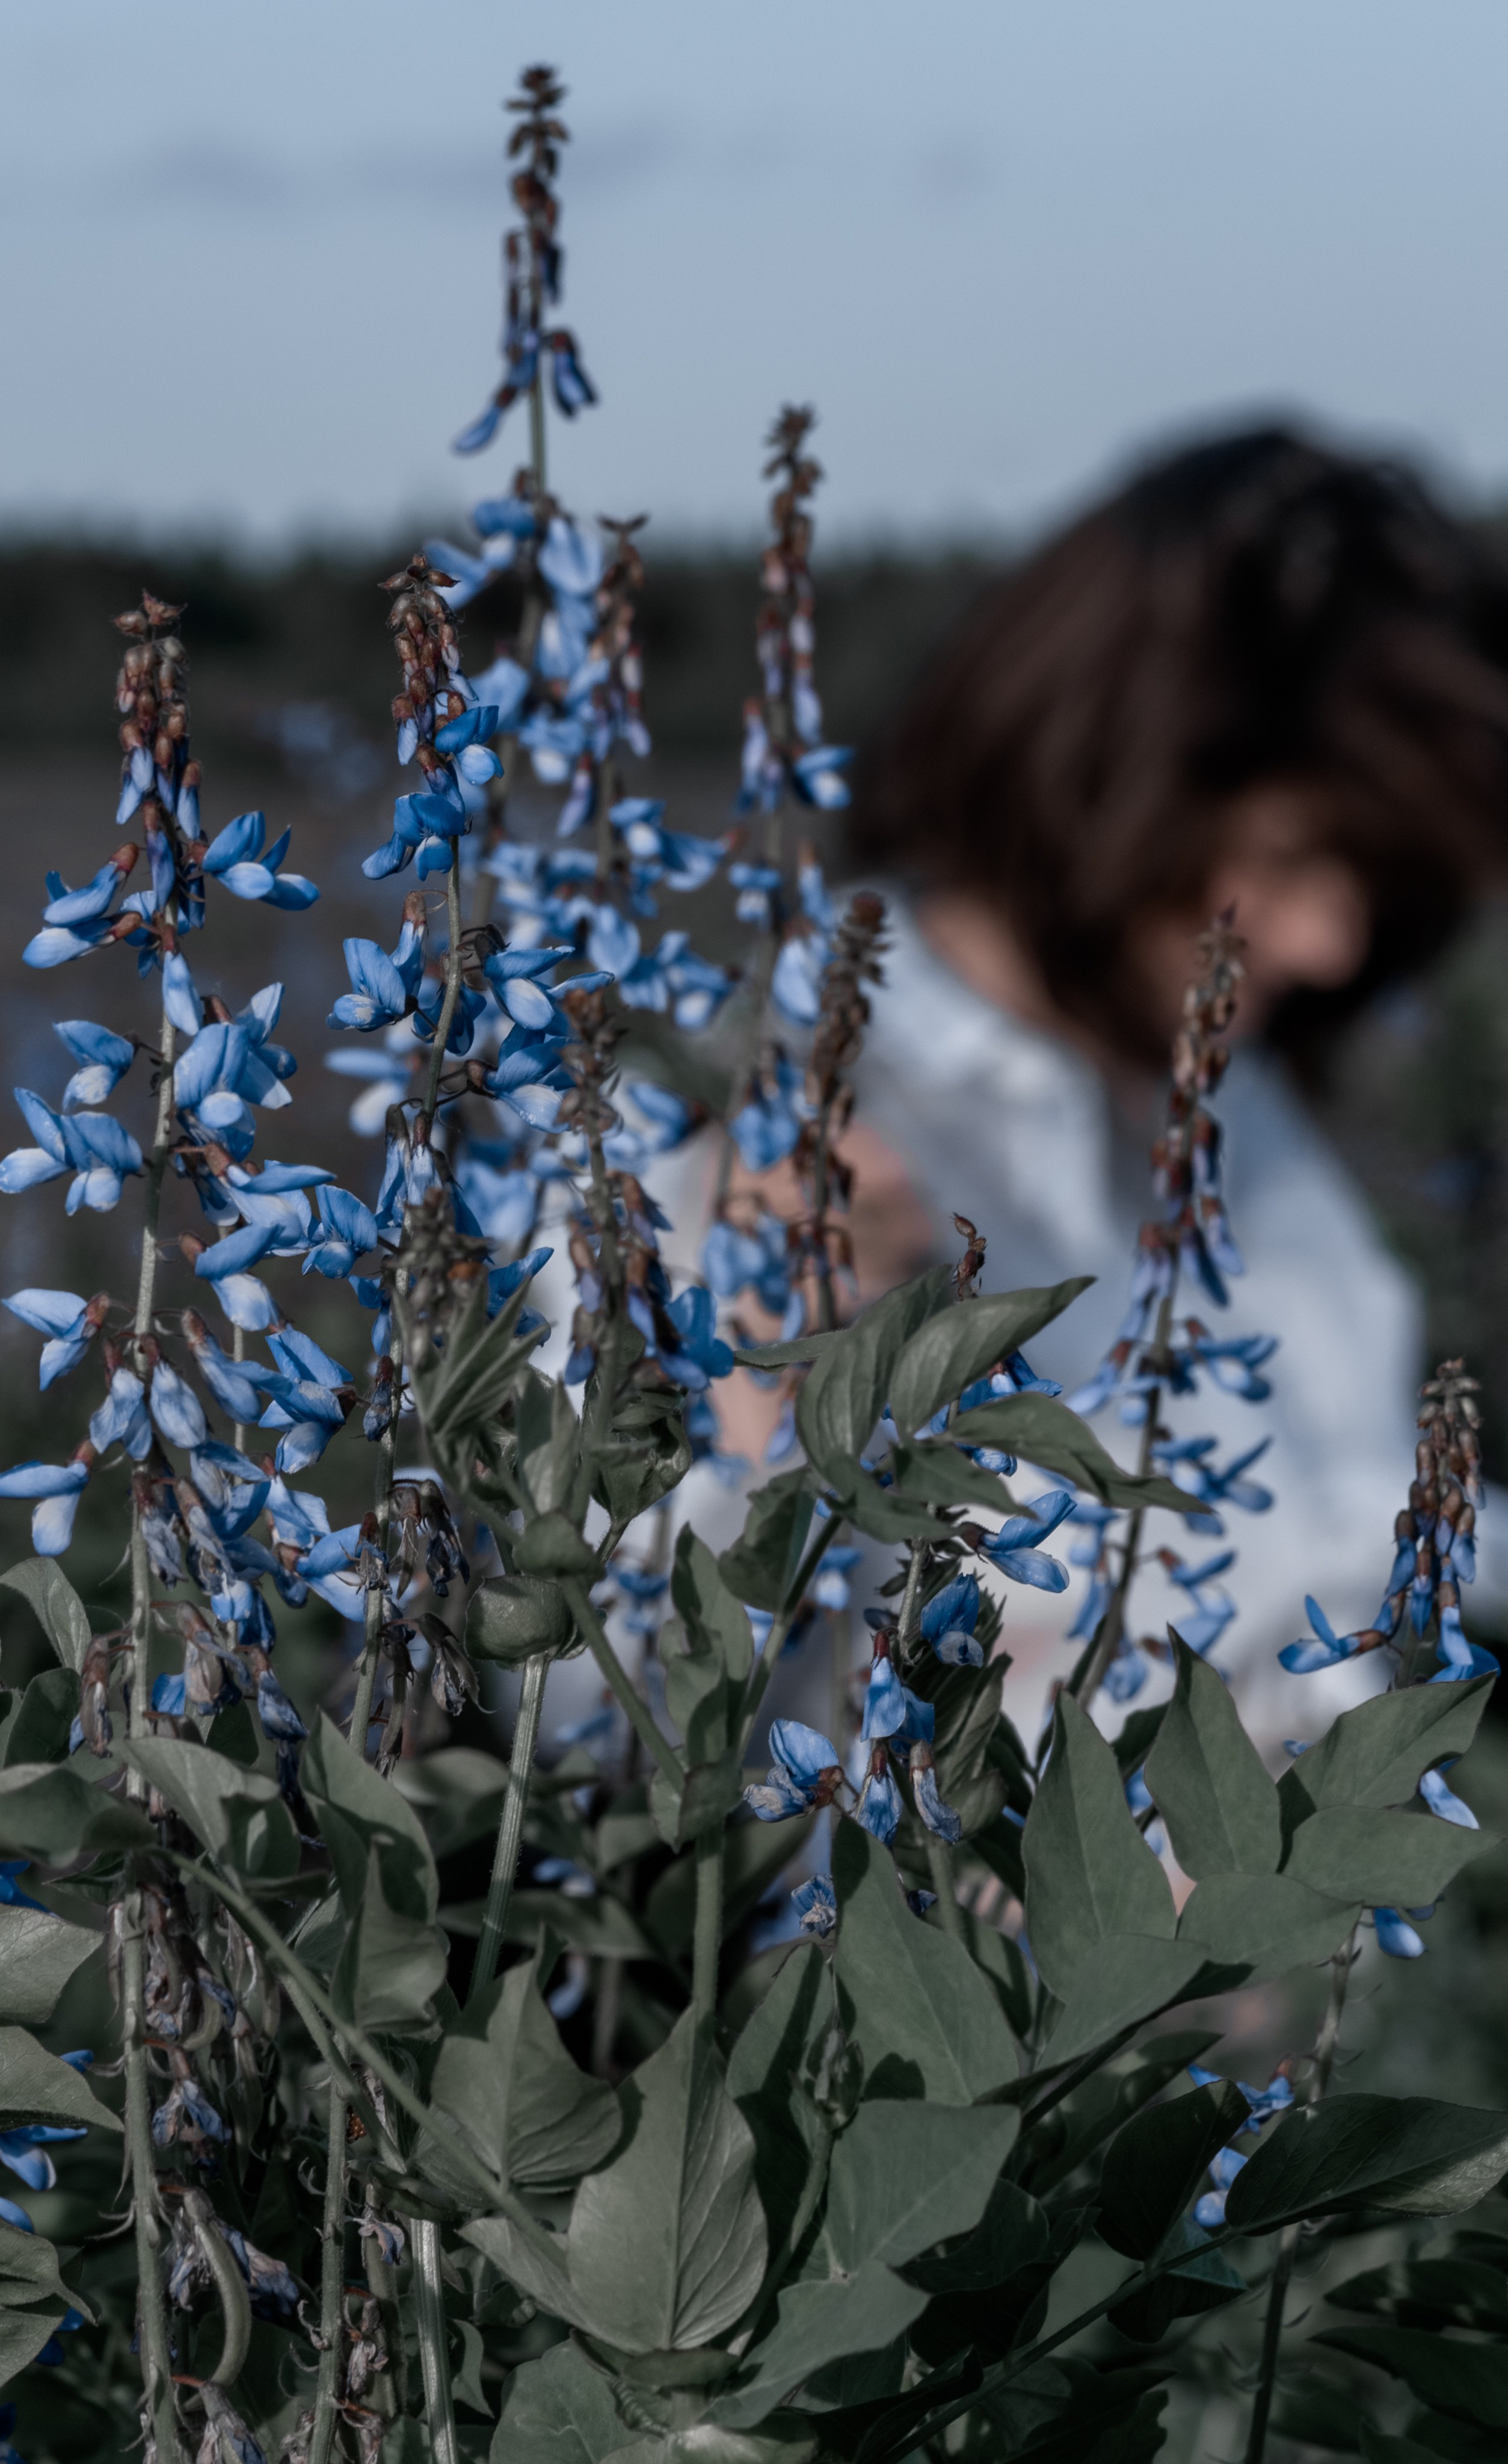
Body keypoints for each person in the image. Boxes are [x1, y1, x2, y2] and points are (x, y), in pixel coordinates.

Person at [825, 422, 1508, 1741]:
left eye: (1377, 876)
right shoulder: (759, 1126)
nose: (1334, 942)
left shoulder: (1228, 1100)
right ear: (1103, 759)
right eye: (1298, 853)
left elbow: (1340, 1535)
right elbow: (590, 1712)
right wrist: (757, 1418)